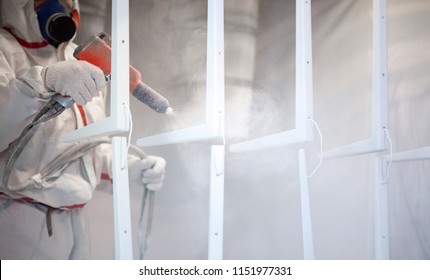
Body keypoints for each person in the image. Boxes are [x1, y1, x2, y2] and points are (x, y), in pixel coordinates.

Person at [0, 0, 166, 259]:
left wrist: (130, 170)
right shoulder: (4, 50)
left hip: (74, 225)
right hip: (17, 222)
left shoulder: (83, 58)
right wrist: (42, 82)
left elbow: (84, 150)